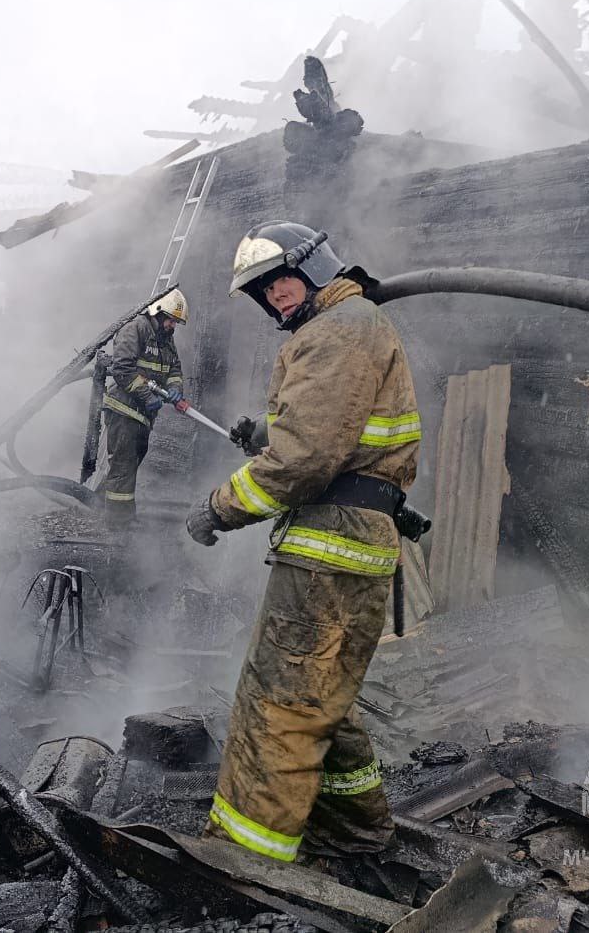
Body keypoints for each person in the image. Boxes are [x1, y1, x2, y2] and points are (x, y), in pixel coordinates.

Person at [186, 221, 421, 861]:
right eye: (264, 292)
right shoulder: (352, 326)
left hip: (329, 546)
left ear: (313, 268)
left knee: (281, 697)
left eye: (279, 281)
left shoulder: (337, 330)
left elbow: (307, 460)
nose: (274, 297)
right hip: (351, 543)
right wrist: (268, 431)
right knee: (324, 696)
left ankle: (244, 857)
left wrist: (219, 508)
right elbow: (339, 428)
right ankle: (355, 830)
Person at [100, 287, 190, 524]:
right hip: (124, 410)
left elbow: (174, 369)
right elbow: (122, 368)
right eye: (171, 320)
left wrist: (175, 388)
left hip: (143, 416)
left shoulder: (166, 339)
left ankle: (109, 509)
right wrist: (147, 397)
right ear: (158, 312)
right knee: (123, 465)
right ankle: (118, 523)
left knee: (131, 465)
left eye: (176, 323)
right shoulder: (136, 328)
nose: (173, 326)